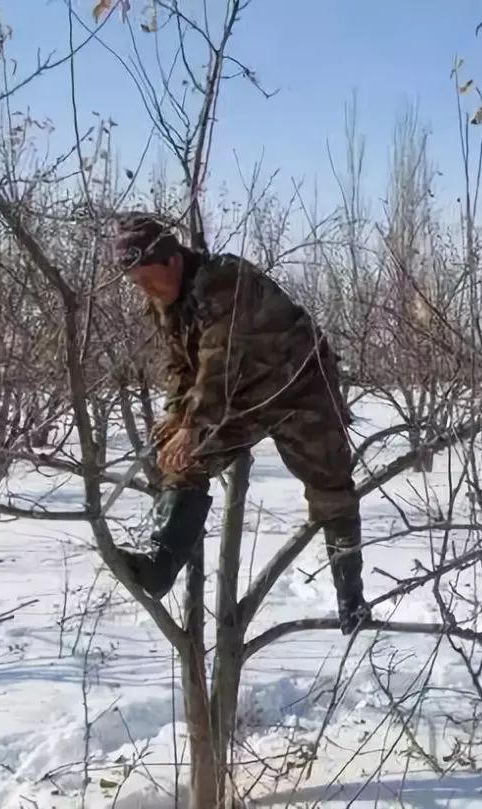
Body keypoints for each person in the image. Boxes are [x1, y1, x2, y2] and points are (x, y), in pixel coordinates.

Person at [110, 212, 371, 634]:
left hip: (299, 385)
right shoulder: (167, 301)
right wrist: (178, 413)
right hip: (240, 400)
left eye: (147, 278)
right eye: (136, 282)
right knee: (183, 461)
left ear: (173, 260)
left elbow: (219, 363)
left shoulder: (225, 284)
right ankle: (160, 565)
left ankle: (351, 598)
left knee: (330, 486)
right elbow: (183, 365)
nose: (144, 290)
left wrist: (193, 422)